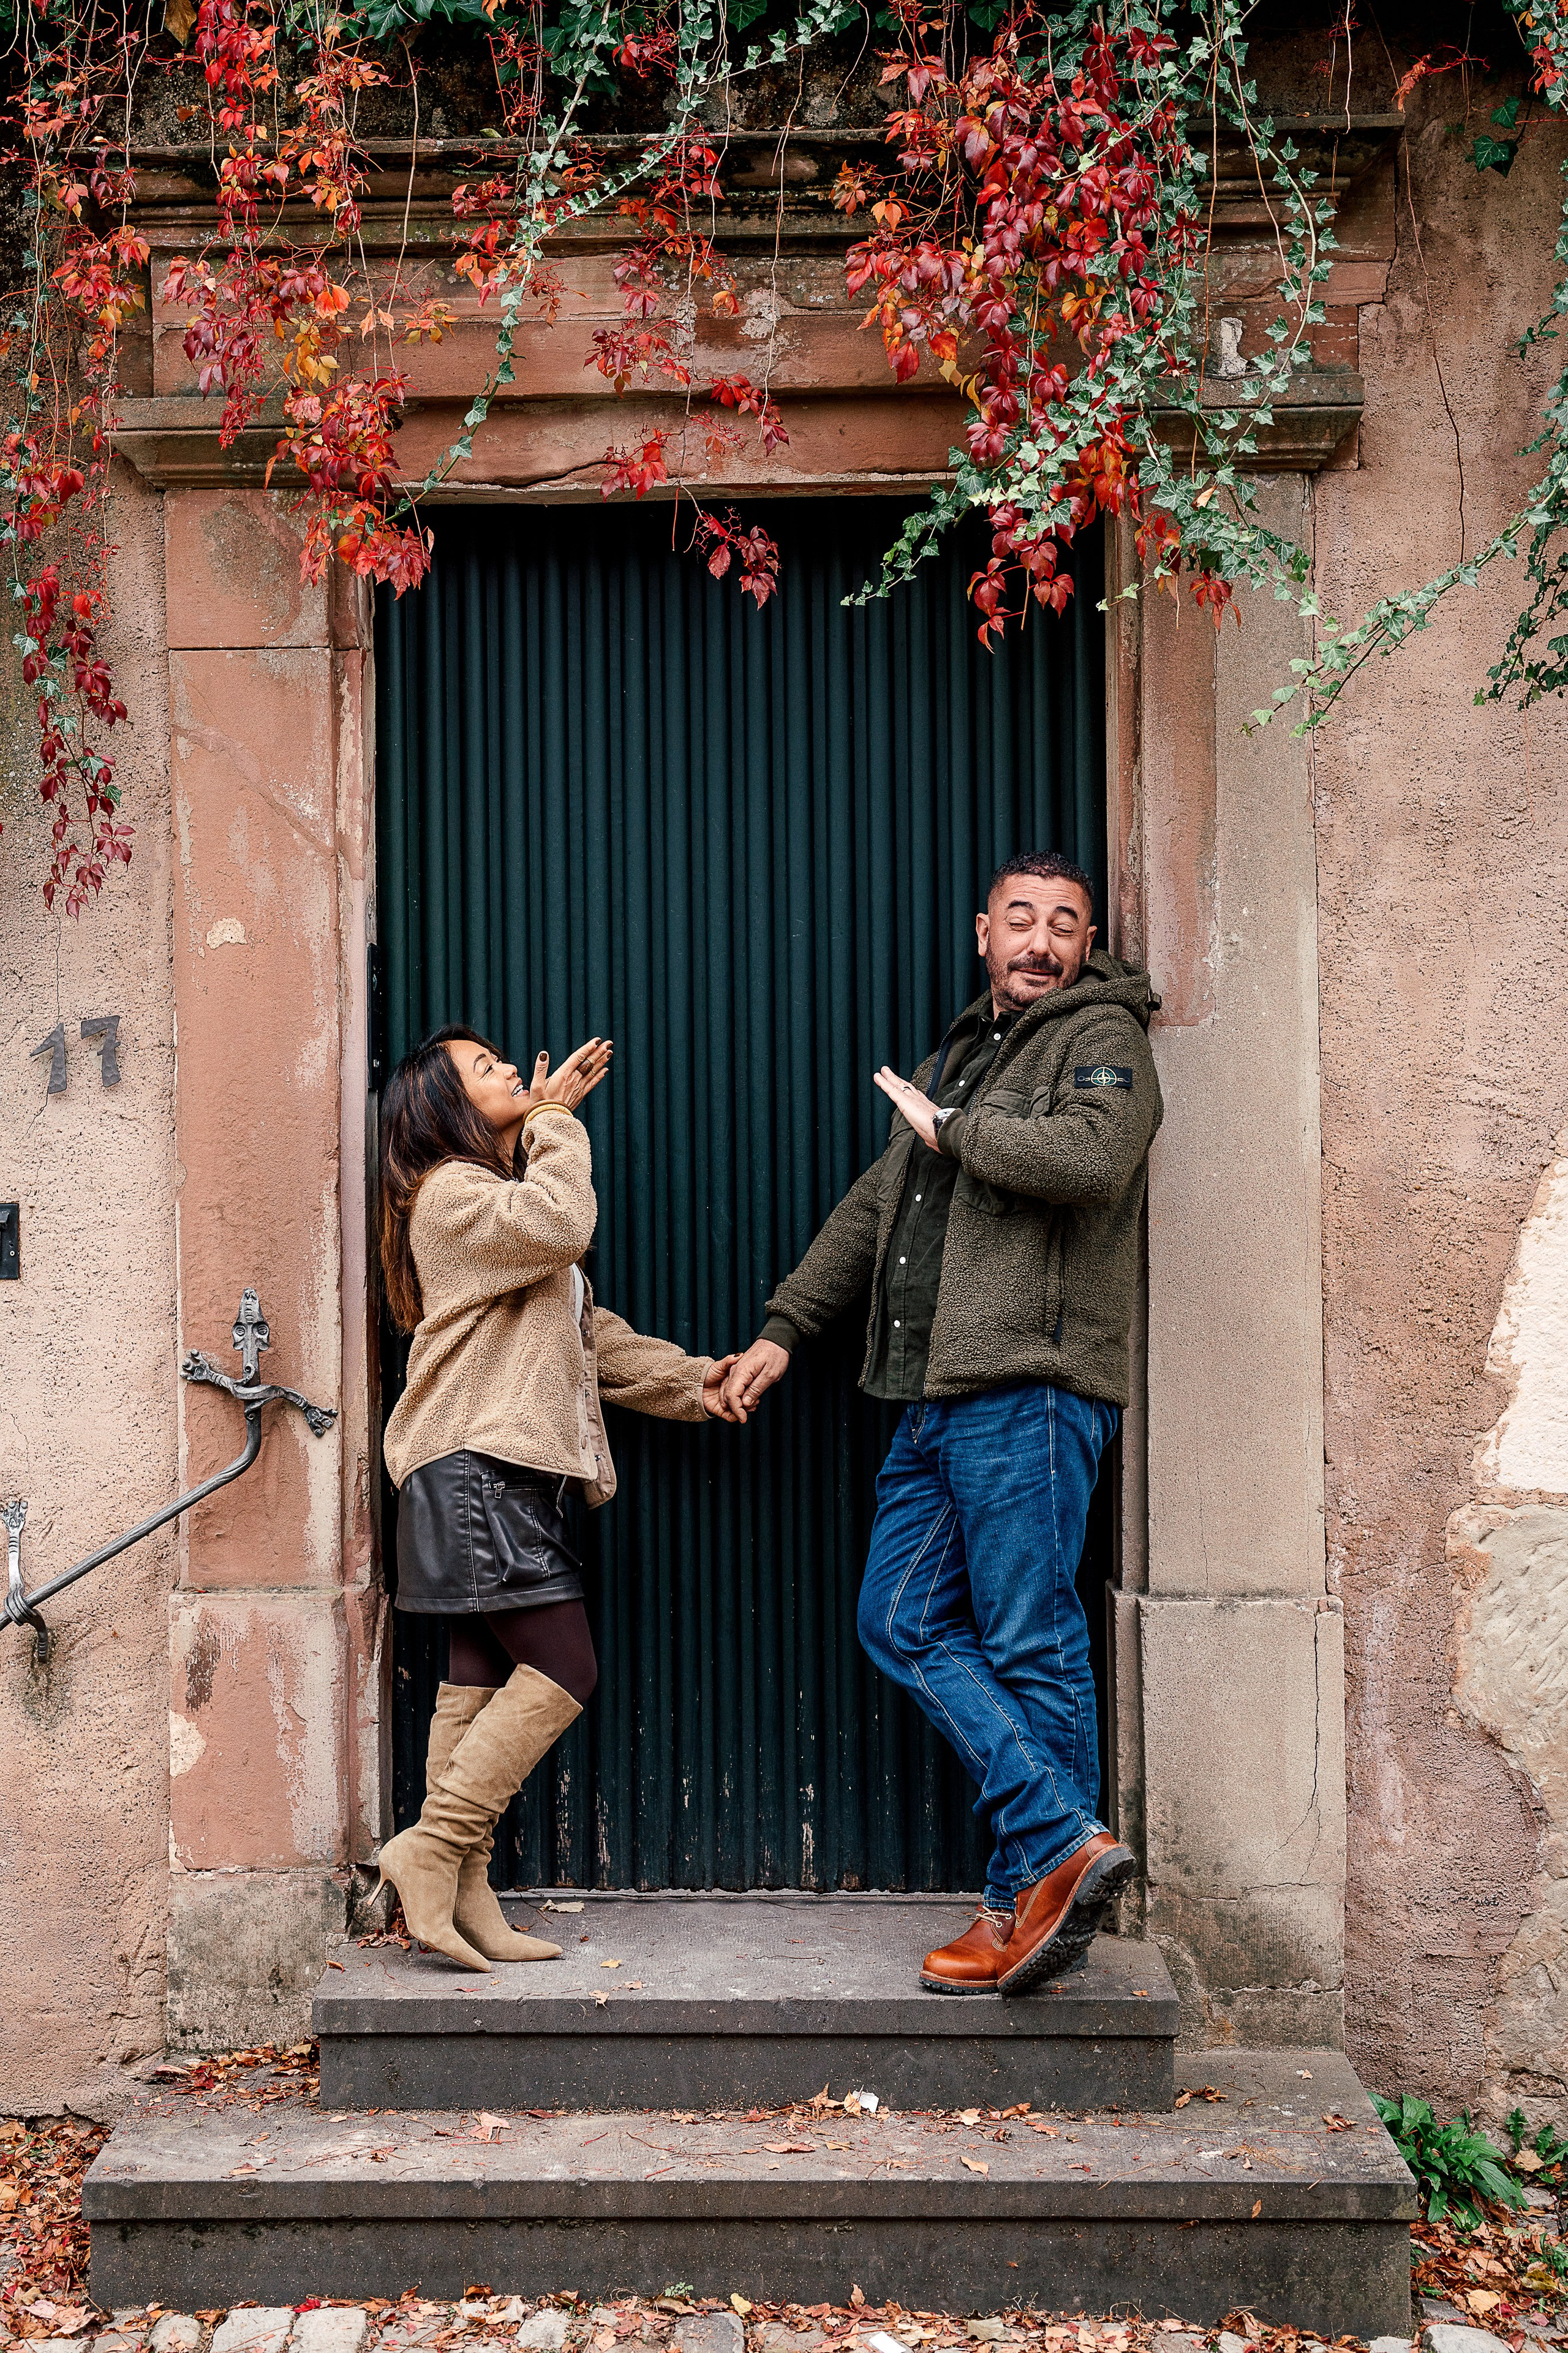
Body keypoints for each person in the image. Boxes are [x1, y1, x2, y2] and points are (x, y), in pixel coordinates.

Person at [722, 851, 1162, 1996]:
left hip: (1030, 1383)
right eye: (1021, 917)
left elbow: (1094, 1155)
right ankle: (1061, 1839)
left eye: (1064, 923)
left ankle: (1026, 1903)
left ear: (1085, 943)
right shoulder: (961, 1054)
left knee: (1029, 1640)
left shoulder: (1102, 1036)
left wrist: (955, 1130)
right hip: (933, 1394)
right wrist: (786, 1327)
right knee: (899, 1618)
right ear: (983, 931)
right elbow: (878, 1206)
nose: (1041, 939)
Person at [377, 1024, 737, 1971]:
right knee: (565, 1668)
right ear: (443, 1108)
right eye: (482, 1069)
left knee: (474, 1676)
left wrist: (695, 1383)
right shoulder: (454, 1194)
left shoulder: (496, 1208)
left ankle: (463, 1893)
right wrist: (554, 1122)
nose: (506, 1069)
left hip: (483, 1473)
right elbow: (563, 1225)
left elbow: (590, 1335)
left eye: (503, 1061)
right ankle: (431, 1847)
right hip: (476, 1472)